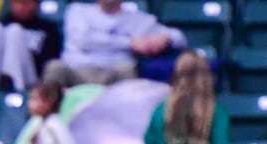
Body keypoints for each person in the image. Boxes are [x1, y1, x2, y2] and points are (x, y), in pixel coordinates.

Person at [46, 0, 186, 86]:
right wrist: (129, 43)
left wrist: (166, 38)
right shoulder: (78, 11)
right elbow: (82, 40)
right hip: (76, 71)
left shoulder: (138, 19)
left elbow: (179, 37)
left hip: (113, 74)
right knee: (54, 67)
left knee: (127, 69)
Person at [0, 0, 63, 92]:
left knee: (14, 32)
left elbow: (50, 60)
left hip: (29, 80)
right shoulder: (1, 24)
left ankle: (13, 85)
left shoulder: (46, 28)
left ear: (35, 4)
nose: (20, 8)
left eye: (25, 3)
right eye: (16, 3)